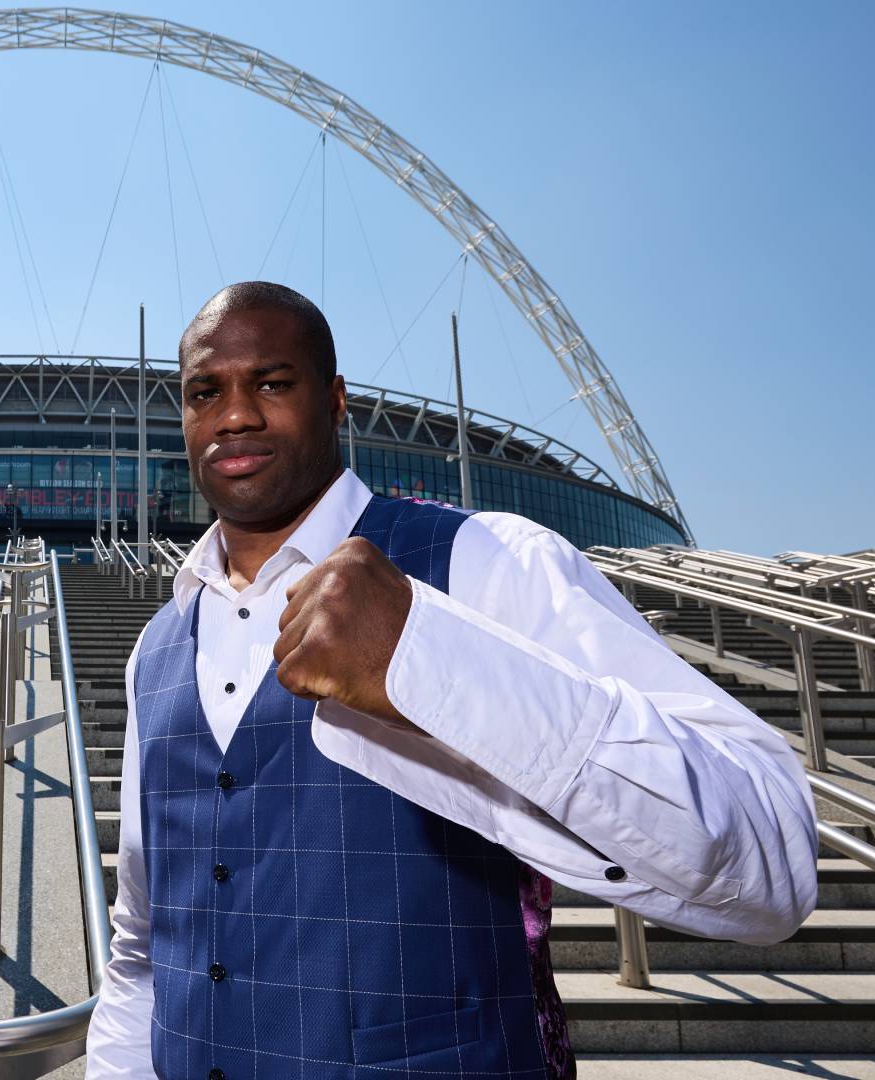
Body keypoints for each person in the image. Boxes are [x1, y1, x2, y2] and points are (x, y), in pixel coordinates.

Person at [83, 282, 818, 1079]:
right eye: (204, 393)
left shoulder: (487, 562)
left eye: (271, 382)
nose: (235, 416)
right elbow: (146, 944)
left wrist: (434, 663)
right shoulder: (155, 649)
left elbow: (772, 862)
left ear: (335, 401)